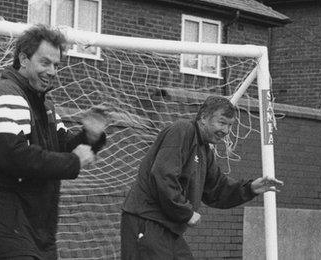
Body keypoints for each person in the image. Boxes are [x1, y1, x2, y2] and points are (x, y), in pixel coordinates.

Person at [0, 24, 109, 260]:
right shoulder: (3, 96)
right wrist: (74, 162)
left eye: (56, 65)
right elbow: (17, 158)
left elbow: (63, 147)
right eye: (45, 63)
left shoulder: (45, 105)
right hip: (5, 224)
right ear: (23, 59)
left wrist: (90, 137)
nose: (52, 71)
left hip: (39, 227)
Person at [120, 95, 283, 260]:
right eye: (222, 122)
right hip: (147, 221)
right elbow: (163, 175)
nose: (226, 131)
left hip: (168, 229)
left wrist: (250, 188)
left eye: (230, 125)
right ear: (204, 118)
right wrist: (185, 213)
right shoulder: (182, 130)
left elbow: (217, 189)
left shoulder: (204, 150)